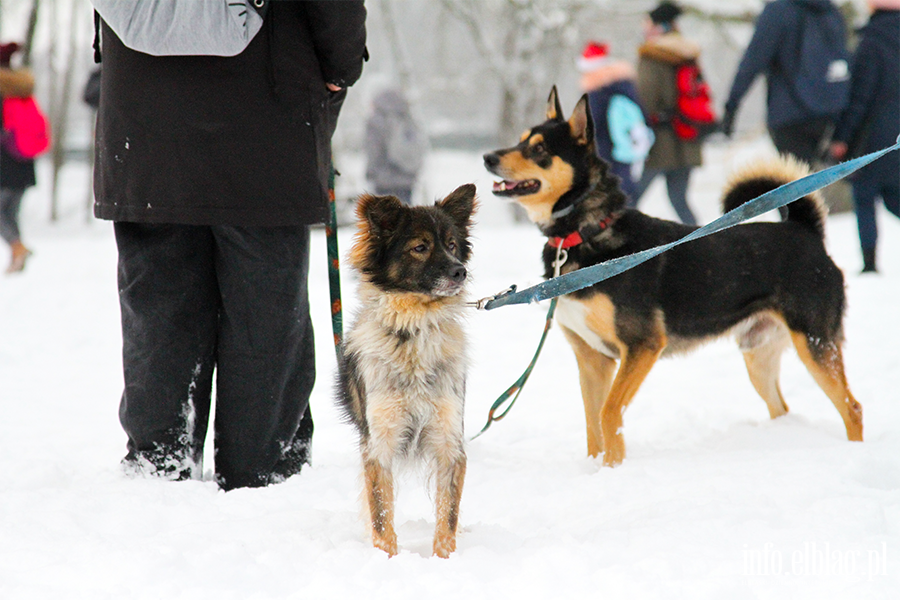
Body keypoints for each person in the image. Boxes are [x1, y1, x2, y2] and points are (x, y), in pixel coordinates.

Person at [92, 2, 367, 490]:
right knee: (265, 306)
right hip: (266, 111)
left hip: (143, 118)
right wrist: (340, 66)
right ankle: (262, 466)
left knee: (158, 305)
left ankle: (160, 462)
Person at [721, 0, 850, 165]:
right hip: (829, 113)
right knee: (814, 177)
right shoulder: (832, 12)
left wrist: (732, 105)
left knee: (796, 182)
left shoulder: (778, 11)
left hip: (789, 113)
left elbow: (753, 61)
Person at [830, 0, 900, 273]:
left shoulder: (871, 42)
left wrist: (842, 137)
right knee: (895, 197)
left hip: (873, 135)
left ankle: (869, 263)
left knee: (864, 195)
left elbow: (859, 97)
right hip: (898, 137)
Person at [630, 1, 701, 225]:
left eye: (647, 23)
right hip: (688, 139)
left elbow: (645, 100)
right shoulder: (688, 53)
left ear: (658, 26)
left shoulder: (652, 55)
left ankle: (614, 247)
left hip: (661, 143)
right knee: (679, 198)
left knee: (631, 198)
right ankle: (702, 241)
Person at [577, 41, 653, 200]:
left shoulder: (598, 89)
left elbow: (595, 124)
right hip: (624, 149)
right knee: (625, 194)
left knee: (617, 199)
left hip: (609, 150)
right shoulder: (623, 84)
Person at [0, 42, 37, 274]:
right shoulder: (21, 90)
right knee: (10, 213)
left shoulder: (3, 93)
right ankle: (17, 255)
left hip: (4, 166)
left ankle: (18, 247)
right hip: (24, 163)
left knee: (2, 213)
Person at [364, 87, 427, 205]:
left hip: (384, 180)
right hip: (407, 179)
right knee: (405, 217)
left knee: (386, 219)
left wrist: (370, 173)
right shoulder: (407, 117)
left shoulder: (376, 120)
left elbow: (374, 151)